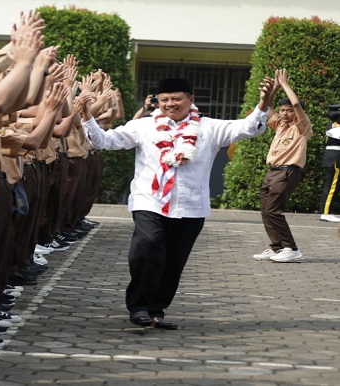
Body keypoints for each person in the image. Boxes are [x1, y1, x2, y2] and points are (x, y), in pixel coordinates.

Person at [80, 76, 275, 329]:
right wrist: (86, 114)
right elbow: (104, 141)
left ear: (190, 100)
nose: (170, 104)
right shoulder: (143, 126)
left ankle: (156, 310)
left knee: (174, 259)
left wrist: (264, 103)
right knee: (146, 246)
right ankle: (138, 306)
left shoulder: (209, 127)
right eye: (164, 100)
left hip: (191, 204)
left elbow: (248, 128)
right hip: (149, 201)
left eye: (176, 99)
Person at [253, 69, 312, 263]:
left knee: (273, 211)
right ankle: (277, 248)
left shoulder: (301, 126)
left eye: (289, 111)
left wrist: (285, 84)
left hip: (288, 172)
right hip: (272, 172)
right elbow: (266, 106)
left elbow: (295, 103)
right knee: (265, 211)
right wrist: (275, 88)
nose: (286, 113)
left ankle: (291, 248)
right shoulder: (280, 124)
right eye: (283, 110)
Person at [319, 104, 340, 223]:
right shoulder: (335, 127)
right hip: (335, 158)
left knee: (332, 186)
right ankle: (326, 213)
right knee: (331, 187)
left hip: (332, 157)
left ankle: (327, 211)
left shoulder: (332, 126)